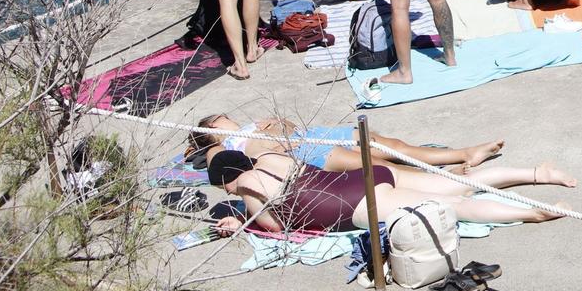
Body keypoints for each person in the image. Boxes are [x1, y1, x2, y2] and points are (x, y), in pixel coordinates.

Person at [205, 148, 574, 233]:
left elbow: (275, 227)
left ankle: (531, 212)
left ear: (228, 179)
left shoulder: (249, 185)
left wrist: (241, 222)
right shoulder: (272, 155)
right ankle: (538, 173)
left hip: (355, 203)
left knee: (452, 206)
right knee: (457, 184)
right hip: (364, 178)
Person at [190, 113, 504, 174]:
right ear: (213, 127)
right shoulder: (230, 145)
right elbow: (263, 153)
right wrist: (276, 134)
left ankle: (466, 152)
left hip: (314, 134)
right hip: (306, 150)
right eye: (223, 117)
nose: (230, 117)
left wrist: (278, 123)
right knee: (377, 166)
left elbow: (290, 125)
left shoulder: (251, 125)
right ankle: (446, 175)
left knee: (389, 144)